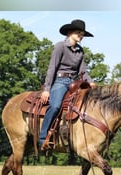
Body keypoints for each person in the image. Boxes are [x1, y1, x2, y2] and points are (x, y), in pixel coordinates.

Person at [39, 19, 96, 149]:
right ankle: (42, 138)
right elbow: (52, 68)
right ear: (70, 33)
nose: (81, 36)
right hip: (60, 81)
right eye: (78, 33)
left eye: (82, 34)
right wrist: (47, 89)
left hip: (74, 83)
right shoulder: (60, 46)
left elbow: (83, 71)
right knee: (55, 106)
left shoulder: (80, 51)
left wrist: (91, 82)